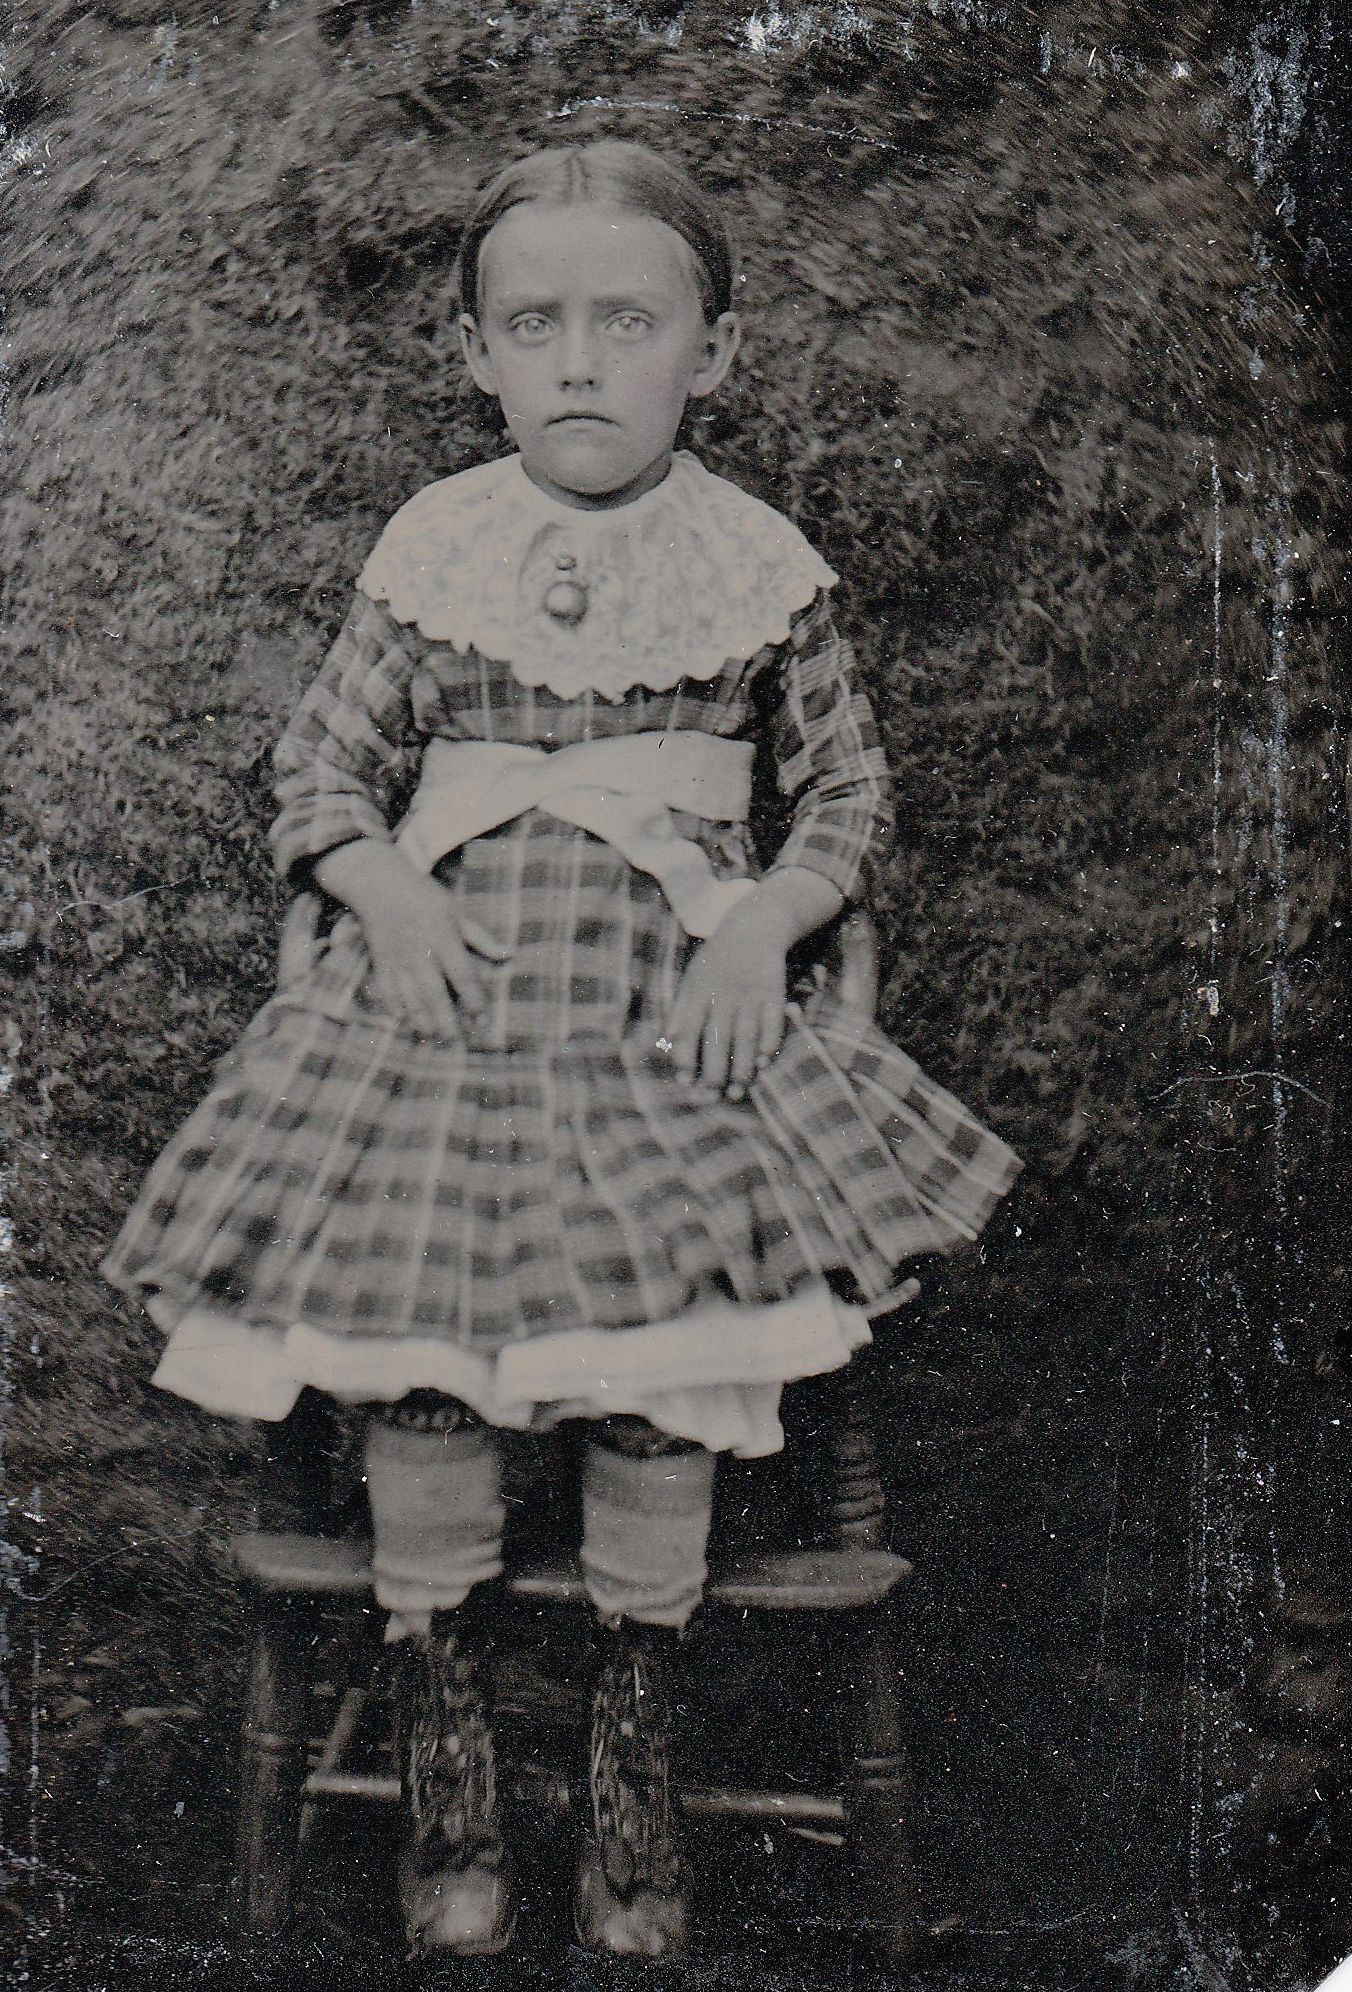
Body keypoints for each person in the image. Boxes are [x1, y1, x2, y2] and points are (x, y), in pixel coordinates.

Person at [102, 139, 1021, 1959]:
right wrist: (384, 891)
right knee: (419, 1349)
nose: (581, 363)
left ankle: (631, 1734)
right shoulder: (437, 547)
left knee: (663, 1344)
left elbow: (846, 790)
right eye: (534, 326)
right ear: (476, 354)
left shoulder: (753, 566)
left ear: (713, 352)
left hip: (662, 1002)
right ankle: (441, 1718)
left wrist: (763, 923)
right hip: (446, 1005)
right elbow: (319, 767)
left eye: (628, 323)